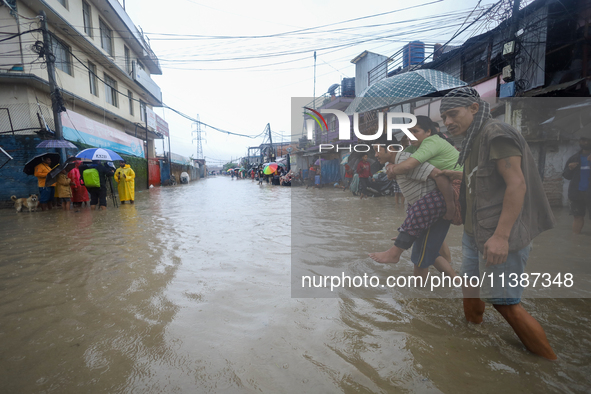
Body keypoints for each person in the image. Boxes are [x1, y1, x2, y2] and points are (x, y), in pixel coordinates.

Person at [439, 86, 556, 360]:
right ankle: (473, 338)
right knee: (470, 288)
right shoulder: (472, 139)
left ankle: (549, 365)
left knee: (505, 304)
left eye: (452, 114)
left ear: (474, 108)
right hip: (474, 234)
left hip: (498, 234)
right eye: (443, 118)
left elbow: (516, 184)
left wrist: (502, 237)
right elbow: (482, 181)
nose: (447, 122)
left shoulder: (496, 134)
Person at [371, 116, 458, 265]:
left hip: (458, 183)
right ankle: (452, 277)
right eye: (409, 132)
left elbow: (407, 165)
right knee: (432, 244)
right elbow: (403, 154)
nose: (411, 135)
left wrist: (393, 170)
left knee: (419, 212)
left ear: (428, 132)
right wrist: (391, 165)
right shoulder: (415, 148)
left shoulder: (431, 142)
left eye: (415, 131)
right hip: (445, 186)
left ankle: (396, 252)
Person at [562, 136, 591, 234]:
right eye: (582, 140)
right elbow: (566, 176)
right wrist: (570, 169)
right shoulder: (574, 158)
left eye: (587, 140)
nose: (584, 142)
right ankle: (576, 240)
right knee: (577, 217)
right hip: (577, 192)